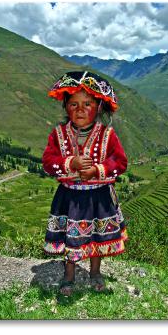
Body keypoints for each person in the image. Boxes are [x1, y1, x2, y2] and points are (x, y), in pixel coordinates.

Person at [42, 71, 128, 296]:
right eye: (73, 104)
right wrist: (71, 163)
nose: (80, 110)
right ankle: (69, 276)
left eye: (87, 104)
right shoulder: (58, 135)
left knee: (97, 236)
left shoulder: (108, 135)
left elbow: (120, 162)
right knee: (72, 236)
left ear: (99, 106)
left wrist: (97, 170)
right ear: (66, 107)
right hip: (70, 197)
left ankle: (95, 272)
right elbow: (48, 163)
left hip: (98, 196)